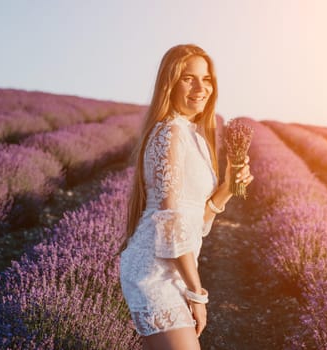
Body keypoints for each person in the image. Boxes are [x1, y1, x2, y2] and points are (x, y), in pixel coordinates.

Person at [118, 44, 254, 350]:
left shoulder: (195, 136)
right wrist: (197, 293)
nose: (200, 88)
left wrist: (228, 189)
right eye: (188, 78)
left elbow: (195, 221)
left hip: (176, 265)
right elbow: (170, 222)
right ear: (170, 82)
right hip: (154, 270)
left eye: (206, 80)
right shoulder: (170, 133)